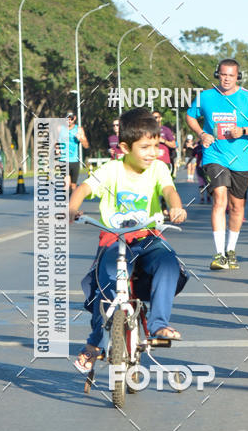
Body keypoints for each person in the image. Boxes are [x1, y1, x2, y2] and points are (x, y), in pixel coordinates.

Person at [68, 108, 187, 373]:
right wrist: (72, 208)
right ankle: (94, 344)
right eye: (144, 147)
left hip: (148, 238)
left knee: (168, 262)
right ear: (124, 147)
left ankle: (158, 324)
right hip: (116, 240)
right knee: (107, 289)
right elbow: (84, 188)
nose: (152, 152)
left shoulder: (158, 168)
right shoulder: (111, 171)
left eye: (155, 145)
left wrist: (176, 207)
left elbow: (169, 190)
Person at [186, 59, 248, 270]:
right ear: (217, 75)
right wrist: (202, 133)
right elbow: (190, 116)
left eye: (231, 75)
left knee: (236, 206)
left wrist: (244, 131)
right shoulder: (205, 97)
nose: (227, 79)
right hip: (214, 156)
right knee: (219, 200)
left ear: (237, 76)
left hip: (241, 159)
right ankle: (219, 254)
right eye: (223, 74)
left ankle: (230, 251)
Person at [60, 111, 88, 191]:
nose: (69, 120)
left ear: (74, 118)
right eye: (67, 118)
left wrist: (81, 139)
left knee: (73, 185)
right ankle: (66, 201)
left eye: (71, 118)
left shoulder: (79, 129)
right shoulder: (61, 129)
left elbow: (86, 145)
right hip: (63, 159)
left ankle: (71, 201)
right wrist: (57, 149)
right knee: (66, 183)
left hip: (74, 160)